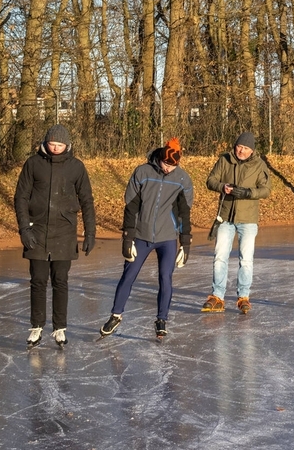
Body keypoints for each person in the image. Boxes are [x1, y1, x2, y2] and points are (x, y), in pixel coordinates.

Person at [99, 137, 193, 339]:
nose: (169, 169)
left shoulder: (183, 179)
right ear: (160, 157)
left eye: (173, 165)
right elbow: (130, 206)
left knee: (165, 278)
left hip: (167, 236)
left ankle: (161, 319)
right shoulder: (142, 172)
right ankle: (116, 315)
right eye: (166, 163)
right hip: (141, 235)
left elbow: (184, 212)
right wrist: (127, 237)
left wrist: (185, 242)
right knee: (128, 274)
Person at [14, 126, 96, 347]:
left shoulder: (76, 167)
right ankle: (36, 327)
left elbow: (87, 200)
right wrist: (24, 229)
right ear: (46, 143)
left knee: (60, 280)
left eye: (60, 145)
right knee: (38, 280)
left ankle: (60, 328)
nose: (56, 148)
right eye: (52, 144)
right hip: (37, 230)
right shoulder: (33, 164)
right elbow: (21, 197)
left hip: (64, 231)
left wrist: (90, 232)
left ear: (67, 145)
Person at [202, 131, 271, 315]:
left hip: (248, 220)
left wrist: (249, 193)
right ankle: (217, 296)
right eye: (239, 146)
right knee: (219, 258)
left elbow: (266, 190)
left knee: (246, 260)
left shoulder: (259, 165)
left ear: (252, 150)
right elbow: (210, 180)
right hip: (225, 217)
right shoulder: (225, 160)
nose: (241, 151)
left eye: (246, 148)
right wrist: (222, 187)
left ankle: (243, 297)